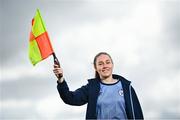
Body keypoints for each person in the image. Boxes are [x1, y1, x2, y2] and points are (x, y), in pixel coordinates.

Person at [53, 52, 143, 119]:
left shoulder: (127, 87)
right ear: (95, 67)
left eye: (108, 62)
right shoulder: (91, 88)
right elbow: (70, 98)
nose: (105, 66)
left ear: (112, 64)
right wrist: (61, 79)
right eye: (100, 64)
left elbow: (138, 115)